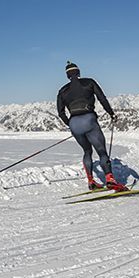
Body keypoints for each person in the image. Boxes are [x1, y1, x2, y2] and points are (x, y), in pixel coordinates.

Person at [57, 61, 127, 192]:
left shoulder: (62, 90)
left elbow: (61, 113)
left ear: (67, 75)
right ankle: (110, 179)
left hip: (74, 123)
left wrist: (71, 124)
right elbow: (102, 99)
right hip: (89, 119)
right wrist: (111, 114)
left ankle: (91, 181)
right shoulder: (89, 82)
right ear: (78, 72)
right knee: (101, 152)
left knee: (87, 151)